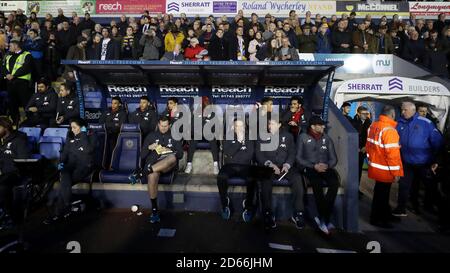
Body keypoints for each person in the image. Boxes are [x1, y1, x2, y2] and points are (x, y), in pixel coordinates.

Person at [393, 102, 443, 216]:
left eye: (405, 110)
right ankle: (401, 209)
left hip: (424, 163)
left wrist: (436, 161)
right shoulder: (399, 123)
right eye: (402, 110)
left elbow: (438, 142)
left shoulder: (426, 123)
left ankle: (444, 215)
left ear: (412, 110)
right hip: (407, 162)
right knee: (404, 186)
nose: (402, 112)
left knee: (431, 188)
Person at [256, 117, 305, 229]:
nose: (269, 126)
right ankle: (268, 213)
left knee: (297, 179)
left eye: (272, 124)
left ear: (279, 125)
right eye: (269, 124)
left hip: (285, 167)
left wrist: (287, 165)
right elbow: (259, 155)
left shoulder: (288, 136)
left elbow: (292, 153)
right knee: (265, 180)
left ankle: (299, 213)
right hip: (269, 166)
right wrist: (270, 165)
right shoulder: (262, 137)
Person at [132, 116, 183, 223]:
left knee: (173, 157)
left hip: (167, 165)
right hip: (153, 165)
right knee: (152, 176)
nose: (163, 128)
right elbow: (142, 155)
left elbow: (180, 154)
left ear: (169, 125)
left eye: (166, 126)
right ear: (158, 125)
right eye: (161, 126)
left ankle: (142, 174)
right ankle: (154, 210)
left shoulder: (175, 136)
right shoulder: (151, 136)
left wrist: (170, 149)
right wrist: (149, 148)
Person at [45, 118, 94, 223]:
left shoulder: (91, 136)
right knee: (64, 173)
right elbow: (65, 153)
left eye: (75, 127)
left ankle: (58, 213)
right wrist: (61, 162)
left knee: (64, 181)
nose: (72, 130)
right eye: (71, 127)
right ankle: (67, 203)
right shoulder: (70, 137)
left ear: (82, 128)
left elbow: (88, 150)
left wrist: (84, 134)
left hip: (84, 166)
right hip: (70, 166)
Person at [296, 116, 339, 234]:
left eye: (323, 125)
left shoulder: (327, 138)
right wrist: (314, 166)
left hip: (325, 167)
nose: (323, 127)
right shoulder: (303, 137)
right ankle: (324, 220)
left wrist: (326, 166)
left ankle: (323, 218)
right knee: (317, 183)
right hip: (310, 167)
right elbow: (298, 158)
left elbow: (334, 158)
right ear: (313, 127)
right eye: (320, 125)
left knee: (334, 182)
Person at [366, 105, 403, 228]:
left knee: (380, 193)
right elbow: (392, 155)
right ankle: (378, 219)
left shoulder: (373, 125)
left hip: (376, 166)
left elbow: (369, 146)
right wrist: (396, 172)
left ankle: (384, 215)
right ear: (392, 115)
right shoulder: (389, 130)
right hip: (385, 168)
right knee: (382, 195)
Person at [217, 118, 256, 221]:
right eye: (237, 126)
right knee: (221, 177)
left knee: (252, 178)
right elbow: (228, 153)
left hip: (245, 166)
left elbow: (250, 154)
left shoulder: (249, 137)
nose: (240, 128)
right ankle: (225, 204)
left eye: (242, 126)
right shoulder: (228, 137)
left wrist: (235, 156)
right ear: (233, 127)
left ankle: (248, 206)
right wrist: (238, 142)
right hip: (230, 166)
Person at [0, 117, 30, 229]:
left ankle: (11, 216)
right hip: (5, 174)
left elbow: (24, 162)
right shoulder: (3, 142)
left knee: (2, 187)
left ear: (5, 128)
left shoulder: (19, 140)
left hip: (16, 174)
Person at [185, 97, 220, 175]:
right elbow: (192, 126)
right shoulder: (197, 114)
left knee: (212, 140)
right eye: (205, 104)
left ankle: (215, 164)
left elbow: (216, 127)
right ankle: (189, 164)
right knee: (193, 140)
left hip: (209, 134)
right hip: (198, 134)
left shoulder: (213, 115)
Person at [2, 40, 33, 127]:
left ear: (16, 46)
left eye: (11, 46)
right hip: (10, 83)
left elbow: (26, 67)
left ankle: (30, 120)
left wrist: (14, 75)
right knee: (12, 103)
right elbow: (3, 66)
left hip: (22, 83)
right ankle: (15, 121)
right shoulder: (8, 56)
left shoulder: (27, 55)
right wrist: (7, 74)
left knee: (25, 103)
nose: (9, 47)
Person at [99, 96, 127, 169]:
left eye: (115, 103)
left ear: (119, 104)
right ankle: (102, 166)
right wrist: (113, 125)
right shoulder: (106, 112)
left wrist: (108, 125)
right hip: (105, 135)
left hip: (115, 135)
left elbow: (120, 126)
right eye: (112, 103)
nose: (113, 105)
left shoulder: (123, 113)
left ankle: (112, 166)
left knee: (112, 149)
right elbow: (101, 123)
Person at [351, 106, 372, 196]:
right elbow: (351, 136)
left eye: (367, 114)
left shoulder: (369, 123)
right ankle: (351, 189)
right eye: (364, 114)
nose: (366, 115)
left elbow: (370, 136)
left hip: (363, 151)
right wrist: (355, 147)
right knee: (353, 171)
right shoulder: (352, 122)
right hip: (354, 150)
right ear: (358, 113)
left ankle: (356, 189)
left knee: (359, 171)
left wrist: (365, 147)